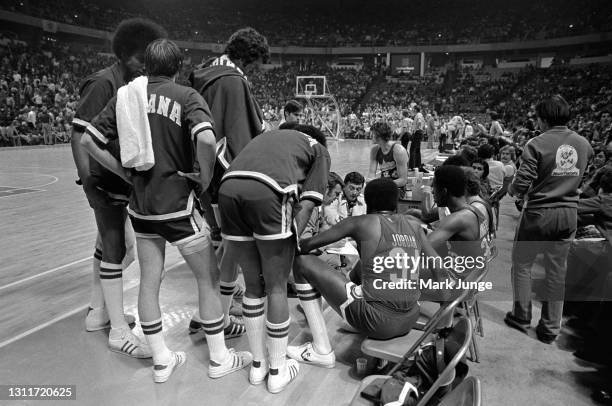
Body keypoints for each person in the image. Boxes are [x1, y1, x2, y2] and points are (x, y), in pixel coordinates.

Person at [80, 39, 252, 382]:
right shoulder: (187, 96)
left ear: (146, 65)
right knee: (210, 279)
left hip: (141, 206)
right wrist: (203, 175)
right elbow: (205, 139)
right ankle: (219, 358)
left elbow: (88, 141)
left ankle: (161, 359)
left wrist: (123, 172)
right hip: (177, 205)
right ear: (177, 65)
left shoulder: (127, 95)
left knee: (148, 282)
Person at [70, 18, 166, 356]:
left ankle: (98, 313)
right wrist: (88, 185)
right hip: (103, 179)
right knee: (115, 249)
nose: (146, 65)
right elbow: (79, 135)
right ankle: (118, 331)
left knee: (113, 247)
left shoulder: (132, 82)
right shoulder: (102, 83)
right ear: (124, 55)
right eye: (142, 58)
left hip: (117, 178)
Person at [287, 178, 456, 366]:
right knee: (364, 265)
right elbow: (440, 270)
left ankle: (321, 350)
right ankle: (346, 307)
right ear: (396, 202)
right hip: (410, 318)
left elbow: (305, 246)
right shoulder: (414, 225)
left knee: (302, 262)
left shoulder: (361, 222)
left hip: (377, 322)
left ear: (367, 201)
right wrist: (444, 324)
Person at [218, 124, 331, 393]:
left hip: (228, 188)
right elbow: (308, 201)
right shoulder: (319, 149)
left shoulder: (269, 137)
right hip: (267, 190)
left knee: (253, 286)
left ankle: (258, 367)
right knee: (276, 285)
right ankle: (277, 371)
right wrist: (293, 242)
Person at [189, 27, 270, 334]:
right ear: (249, 58)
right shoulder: (233, 82)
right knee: (233, 242)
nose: (257, 71)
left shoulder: (205, 70)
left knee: (219, 239)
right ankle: (213, 314)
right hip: (225, 174)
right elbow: (241, 136)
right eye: (257, 64)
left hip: (201, 170)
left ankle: (215, 304)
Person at [505, 95, 594, 344]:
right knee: (557, 271)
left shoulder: (537, 143)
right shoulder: (583, 143)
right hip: (568, 214)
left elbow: (522, 181)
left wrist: (513, 191)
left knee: (522, 264)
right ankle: (550, 328)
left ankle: (521, 316)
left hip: (539, 213)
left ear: (543, 119)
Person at [427, 166, 492, 276]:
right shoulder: (473, 210)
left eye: (434, 188)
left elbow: (422, 248)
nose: (433, 192)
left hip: (457, 279)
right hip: (470, 272)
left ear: (444, 191)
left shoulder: (458, 219)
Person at [368, 121, 409, 198]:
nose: (370, 136)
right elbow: (371, 174)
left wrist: (382, 185)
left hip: (397, 188)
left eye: (372, 134)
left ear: (378, 136)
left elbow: (403, 180)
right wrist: (369, 182)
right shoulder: (374, 150)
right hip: (382, 186)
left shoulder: (398, 150)